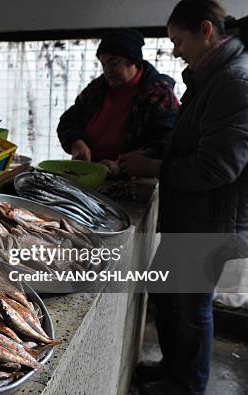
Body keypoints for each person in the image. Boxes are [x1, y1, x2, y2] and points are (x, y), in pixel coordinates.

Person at [126, 1, 248, 394]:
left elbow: (218, 167)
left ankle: (188, 385)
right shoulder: (210, 74)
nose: (175, 50)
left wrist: (156, 169)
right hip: (193, 214)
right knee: (165, 291)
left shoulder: (234, 81)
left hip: (213, 220)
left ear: (206, 30)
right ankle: (173, 369)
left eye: (179, 40)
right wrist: (158, 156)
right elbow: (194, 141)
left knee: (193, 306)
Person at [57, 28, 179, 175]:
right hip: (89, 172)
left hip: (132, 178)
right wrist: (77, 144)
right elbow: (69, 121)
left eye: (113, 63)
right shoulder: (97, 89)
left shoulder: (159, 94)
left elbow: (166, 142)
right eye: (103, 64)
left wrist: (119, 166)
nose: (107, 71)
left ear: (133, 61)